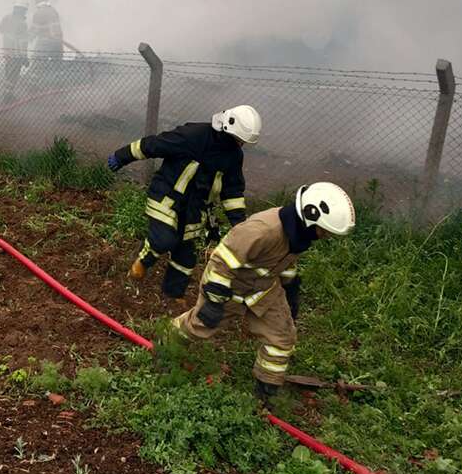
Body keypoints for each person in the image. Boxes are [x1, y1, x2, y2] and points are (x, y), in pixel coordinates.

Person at [173, 182, 356, 406]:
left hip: (264, 289)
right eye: (324, 230)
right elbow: (222, 262)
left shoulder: (298, 234)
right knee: (201, 326)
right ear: (310, 215)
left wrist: (290, 288)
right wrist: (214, 301)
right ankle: (166, 342)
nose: (325, 236)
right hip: (230, 286)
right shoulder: (262, 230)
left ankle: (265, 393)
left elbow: (282, 262)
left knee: (282, 337)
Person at [107, 106, 262, 301]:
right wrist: (121, 156)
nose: (240, 145)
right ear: (226, 129)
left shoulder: (234, 156)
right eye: (238, 140)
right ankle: (143, 261)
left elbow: (232, 192)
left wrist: (239, 224)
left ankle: (171, 298)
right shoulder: (193, 136)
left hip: (195, 211)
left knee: (186, 259)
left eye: (243, 142)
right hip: (167, 197)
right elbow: (154, 144)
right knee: (164, 239)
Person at [0, 2, 30, 102]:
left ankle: (7, 94)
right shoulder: (22, 23)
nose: (25, 13)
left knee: (8, 74)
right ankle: (8, 96)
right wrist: (24, 57)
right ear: (21, 10)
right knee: (13, 75)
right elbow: (23, 42)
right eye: (24, 10)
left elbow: (1, 29)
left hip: (7, 52)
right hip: (17, 55)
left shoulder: (6, 18)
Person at [28, 0, 63, 71]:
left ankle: (34, 80)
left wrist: (25, 38)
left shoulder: (39, 12)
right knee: (57, 68)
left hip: (45, 42)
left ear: (37, 0)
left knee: (36, 64)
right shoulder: (53, 11)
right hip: (58, 43)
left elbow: (34, 30)